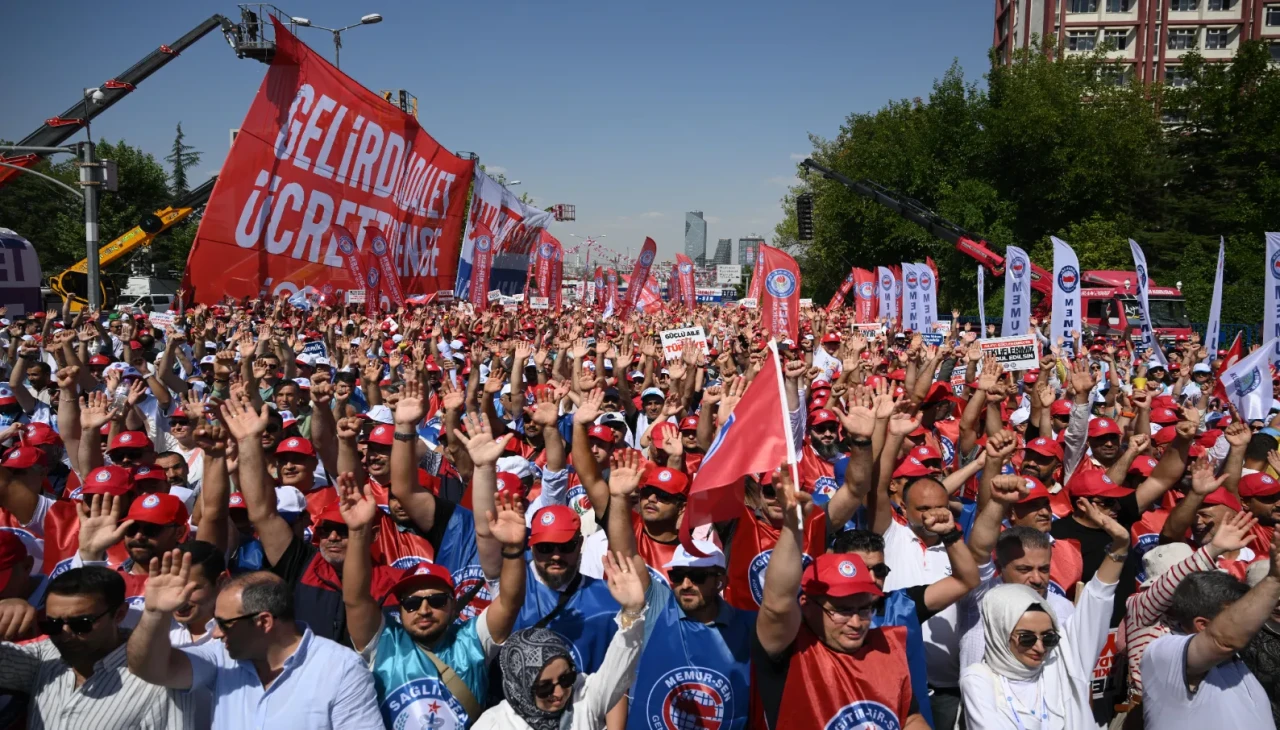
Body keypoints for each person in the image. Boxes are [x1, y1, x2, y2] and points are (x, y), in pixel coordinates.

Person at [340, 471, 527, 729]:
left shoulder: (472, 641)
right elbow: (355, 599)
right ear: (401, 609)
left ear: (453, 607)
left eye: (436, 601)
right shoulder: (383, 644)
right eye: (412, 604)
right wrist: (359, 531)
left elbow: (510, 602)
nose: (424, 610)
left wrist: (514, 550)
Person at [752, 467, 928, 730]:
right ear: (807, 606)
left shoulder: (886, 646)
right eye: (842, 611)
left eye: (865, 609)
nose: (856, 623)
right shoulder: (791, 652)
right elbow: (777, 604)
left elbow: (910, 716)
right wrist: (792, 527)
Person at [127, 561, 384, 730]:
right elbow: (150, 669)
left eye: (225, 623)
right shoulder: (220, 658)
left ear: (263, 621)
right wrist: (154, 614)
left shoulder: (340, 668)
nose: (215, 633)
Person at [605, 448, 756, 730]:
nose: (686, 584)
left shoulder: (748, 626)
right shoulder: (658, 606)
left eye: (698, 577)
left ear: (720, 581)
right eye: (678, 575)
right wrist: (618, 498)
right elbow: (627, 554)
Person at [0, 566, 195, 730]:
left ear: (119, 614)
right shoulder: (44, 657)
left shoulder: (159, 681)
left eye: (81, 624)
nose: (64, 633)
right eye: (52, 624)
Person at [473, 551, 648, 730]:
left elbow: (619, 665)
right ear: (521, 687)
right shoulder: (494, 724)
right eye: (544, 688)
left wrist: (632, 611)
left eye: (566, 678)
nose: (559, 693)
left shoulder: (583, 700)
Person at [1139, 530, 1280, 730]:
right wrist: (1274, 580)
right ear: (1203, 625)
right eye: (1236, 615)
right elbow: (1224, 640)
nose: (1250, 620)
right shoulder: (1164, 653)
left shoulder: (1238, 658)